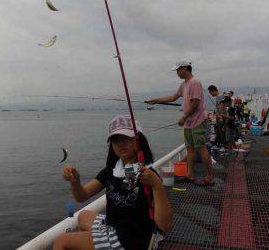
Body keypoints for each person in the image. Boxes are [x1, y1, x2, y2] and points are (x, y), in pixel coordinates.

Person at [54, 114, 172, 250]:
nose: (121, 143)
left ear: (138, 140)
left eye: (126, 138)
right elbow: (82, 196)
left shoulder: (148, 175)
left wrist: (157, 185)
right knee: (83, 216)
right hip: (113, 226)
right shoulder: (111, 170)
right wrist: (75, 182)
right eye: (116, 140)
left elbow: (164, 225)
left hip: (133, 240)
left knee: (61, 242)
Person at [147, 61, 214, 186]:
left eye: (178, 70)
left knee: (201, 147)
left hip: (198, 120)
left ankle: (210, 176)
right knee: (190, 148)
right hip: (189, 122)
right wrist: (155, 100)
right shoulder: (184, 84)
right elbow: (173, 98)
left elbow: (195, 102)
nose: (177, 73)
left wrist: (183, 117)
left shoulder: (195, 82)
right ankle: (189, 175)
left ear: (185, 69)